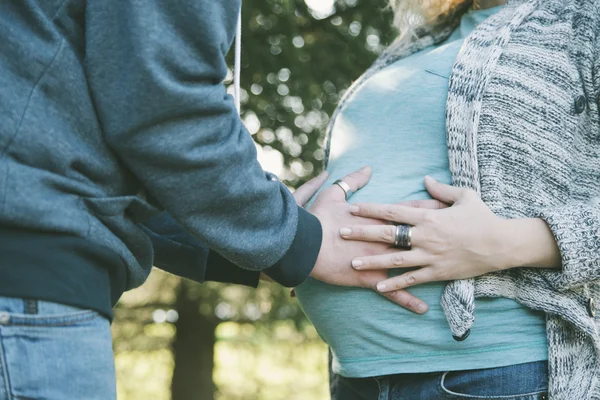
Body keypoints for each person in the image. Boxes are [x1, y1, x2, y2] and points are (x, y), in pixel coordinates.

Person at [0, 1, 419, 399]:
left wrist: (270, 241)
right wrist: (303, 241)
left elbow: (103, 128)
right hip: (27, 292)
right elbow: (164, 100)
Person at [294, 0, 600, 399]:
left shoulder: (586, 17)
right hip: (358, 374)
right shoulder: (417, 41)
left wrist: (504, 243)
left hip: (498, 373)